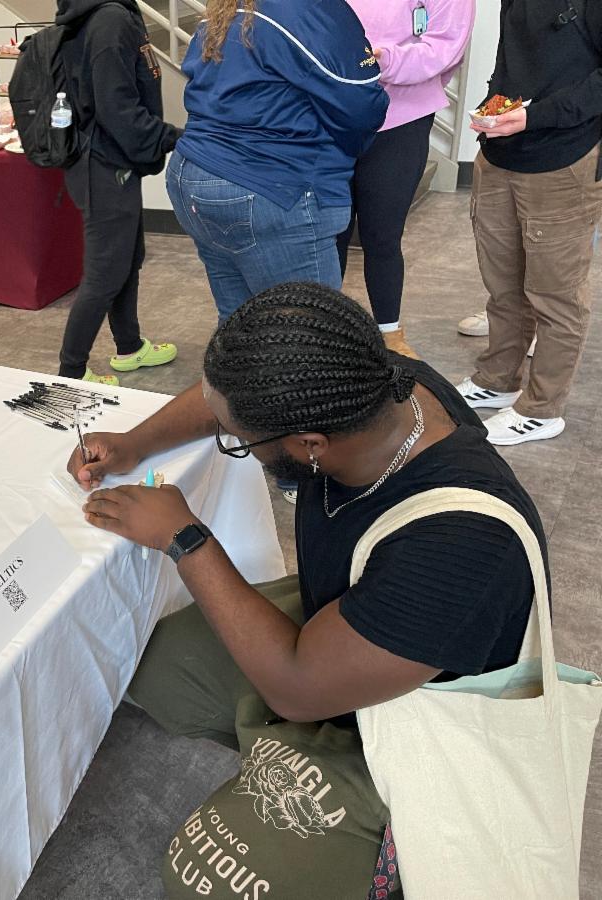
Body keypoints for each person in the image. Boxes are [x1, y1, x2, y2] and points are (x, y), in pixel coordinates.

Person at [66, 282, 544, 899]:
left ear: (310, 446)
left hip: (424, 714)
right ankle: (279, 750)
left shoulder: (460, 547)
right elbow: (231, 395)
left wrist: (187, 540)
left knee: (200, 880)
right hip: (351, 612)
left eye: (239, 439)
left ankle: (381, 844)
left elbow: (298, 689)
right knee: (149, 663)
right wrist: (137, 442)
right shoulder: (371, 383)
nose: (230, 434)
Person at [167, 0, 388, 323]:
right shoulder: (314, 10)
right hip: (270, 187)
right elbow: (363, 108)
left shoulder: (230, 8)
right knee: (308, 339)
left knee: (239, 328)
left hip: (195, 174)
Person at [454, 0, 602, 446]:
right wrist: (493, 105)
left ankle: (542, 409)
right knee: (503, 286)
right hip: (500, 151)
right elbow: (513, 57)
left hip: (566, 157)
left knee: (555, 297)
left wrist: (534, 117)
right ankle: (498, 381)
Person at [53, 0, 181, 386]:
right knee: (105, 273)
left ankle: (129, 346)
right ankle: (70, 374)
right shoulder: (109, 20)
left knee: (128, 258)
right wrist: (173, 137)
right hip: (104, 165)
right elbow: (116, 109)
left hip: (109, 161)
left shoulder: (108, 14)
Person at [338, 0, 475, 359]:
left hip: (401, 118)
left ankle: (389, 335)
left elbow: (446, 47)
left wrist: (384, 62)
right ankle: (324, 331)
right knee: (328, 231)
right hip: (332, 112)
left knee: (382, 235)